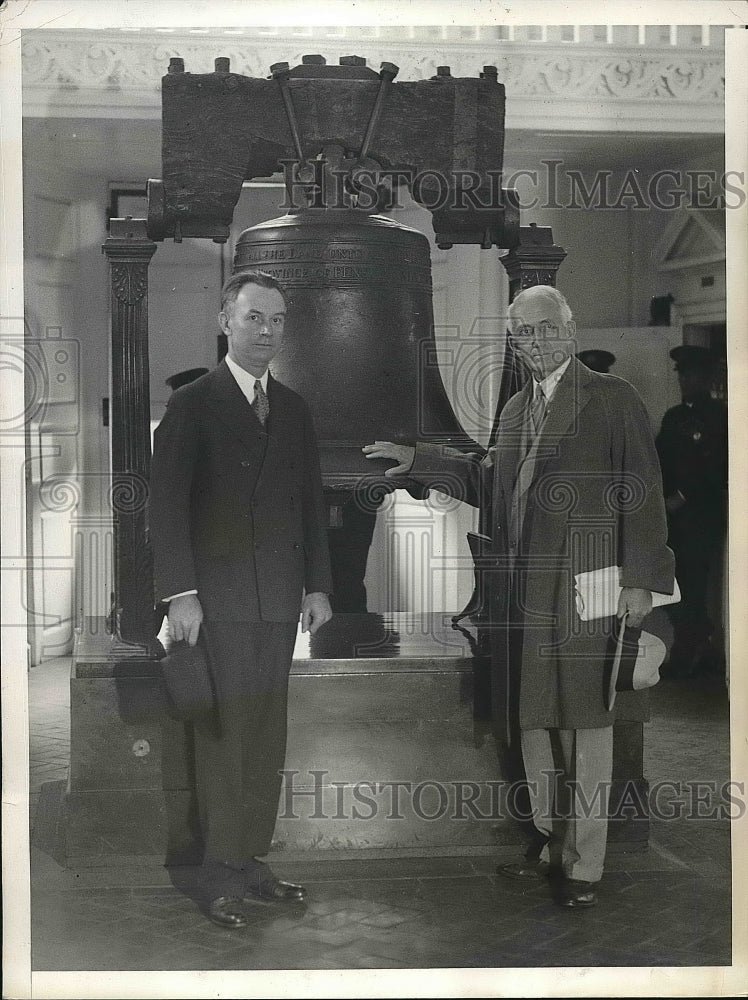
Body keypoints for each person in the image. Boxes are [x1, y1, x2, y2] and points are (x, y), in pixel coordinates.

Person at [363, 285, 674, 908]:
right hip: (526, 596)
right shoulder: (513, 411)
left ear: (571, 326)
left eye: (543, 329)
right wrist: (418, 460)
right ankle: (546, 843)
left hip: (588, 589)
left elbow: (643, 491)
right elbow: (487, 478)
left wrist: (641, 582)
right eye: (522, 335)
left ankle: (585, 864)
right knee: (535, 718)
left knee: (587, 724)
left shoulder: (613, 400)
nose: (534, 344)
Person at [150, 270, 333, 928]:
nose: (267, 331)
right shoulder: (194, 404)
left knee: (265, 738)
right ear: (226, 322)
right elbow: (165, 508)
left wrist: (317, 585)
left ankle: (252, 863)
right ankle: (218, 876)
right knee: (223, 740)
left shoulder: (294, 409)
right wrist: (180, 594)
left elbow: (310, 503)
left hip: (279, 603)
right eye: (255, 318)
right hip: (215, 603)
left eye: (278, 320)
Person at [656, 345, 728, 676]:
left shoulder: (721, 416)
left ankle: (691, 648)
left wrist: (682, 497)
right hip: (671, 518)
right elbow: (659, 461)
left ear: (705, 376)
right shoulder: (674, 418)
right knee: (674, 584)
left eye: (691, 374)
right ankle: (696, 639)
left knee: (694, 583)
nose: (685, 380)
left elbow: (716, 469)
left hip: (700, 518)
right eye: (682, 374)